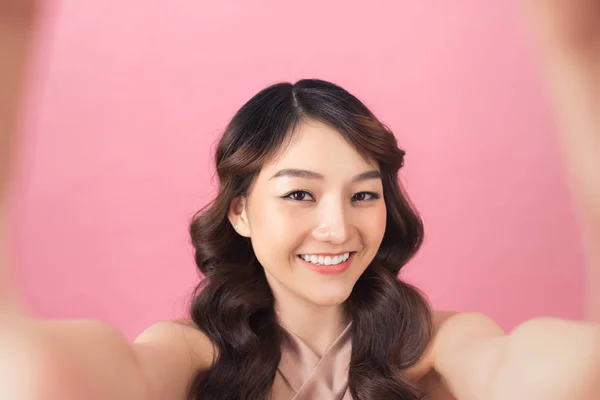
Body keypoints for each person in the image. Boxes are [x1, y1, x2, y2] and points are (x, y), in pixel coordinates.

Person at [0, 1, 599, 400]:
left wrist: (582, 60)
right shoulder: (188, 354)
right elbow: (38, 376)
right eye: (300, 194)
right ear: (239, 211)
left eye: (364, 194)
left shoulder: (439, 346)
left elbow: (566, 374)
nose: (338, 228)